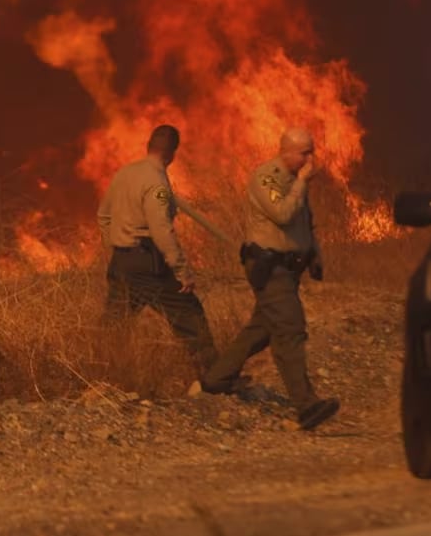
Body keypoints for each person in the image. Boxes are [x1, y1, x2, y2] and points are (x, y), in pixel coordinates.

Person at [200, 127, 340, 430]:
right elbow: (282, 214)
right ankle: (307, 406)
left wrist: (314, 256)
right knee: (289, 328)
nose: (309, 158)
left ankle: (216, 378)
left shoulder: (294, 183)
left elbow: (305, 224)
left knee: (261, 329)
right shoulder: (267, 177)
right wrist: (301, 183)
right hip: (269, 266)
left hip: (289, 269)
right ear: (286, 150)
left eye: (311, 151)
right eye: (304, 152)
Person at [97, 124, 219, 379]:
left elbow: (104, 216)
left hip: (121, 262)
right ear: (172, 153)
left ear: (148, 146)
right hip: (148, 263)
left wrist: (120, 245)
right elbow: (161, 230)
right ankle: (216, 378)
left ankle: (102, 377)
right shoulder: (157, 181)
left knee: (114, 324)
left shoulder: (124, 173)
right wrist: (181, 270)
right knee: (189, 314)